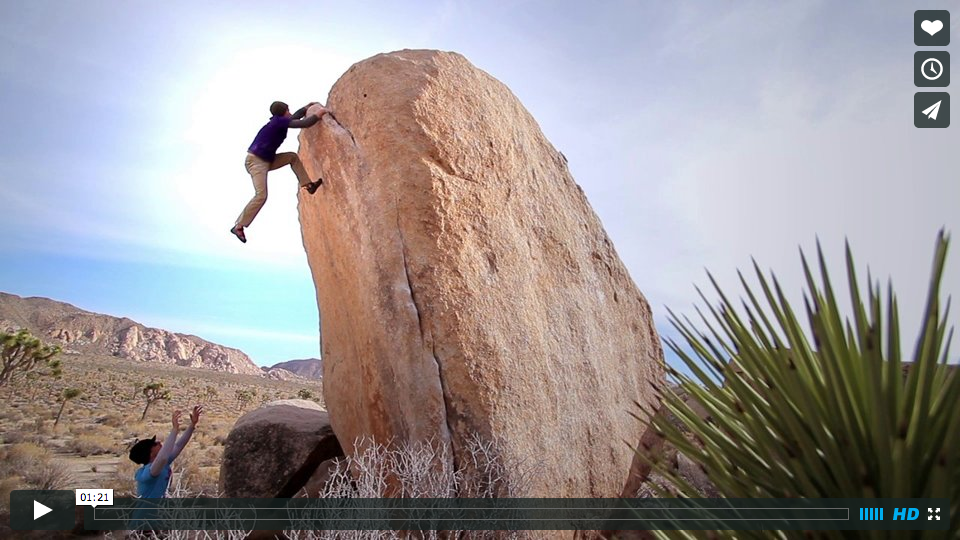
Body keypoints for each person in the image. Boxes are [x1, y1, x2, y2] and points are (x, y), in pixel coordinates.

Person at [230, 101, 329, 243]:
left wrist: (305, 108)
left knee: (291, 157)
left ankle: (308, 185)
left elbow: (294, 118)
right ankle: (239, 226)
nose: (290, 112)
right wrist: (318, 115)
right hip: (256, 162)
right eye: (288, 110)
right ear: (283, 112)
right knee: (261, 195)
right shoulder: (278, 123)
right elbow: (304, 123)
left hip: (266, 160)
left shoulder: (279, 121)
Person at [129, 406, 203, 498]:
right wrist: (175, 429)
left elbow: (178, 445)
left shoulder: (163, 464)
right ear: (150, 454)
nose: (158, 442)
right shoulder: (148, 472)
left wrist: (192, 424)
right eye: (154, 444)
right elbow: (163, 457)